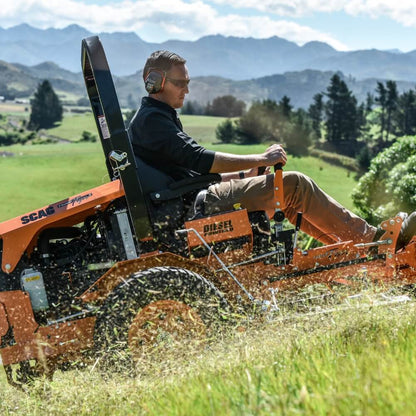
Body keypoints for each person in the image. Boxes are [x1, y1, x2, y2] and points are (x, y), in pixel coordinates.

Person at [129, 50, 416, 250]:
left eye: (188, 83)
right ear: (156, 82)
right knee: (294, 185)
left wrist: (245, 173)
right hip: (195, 208)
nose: (187, 91)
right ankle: (372, 243)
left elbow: (187, 173)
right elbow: (200, 160)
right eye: (180, 83)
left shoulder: (158, 117)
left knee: (289, 199)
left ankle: (360, 249)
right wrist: (262, 159)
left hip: (193, 198)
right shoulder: (153, 120)